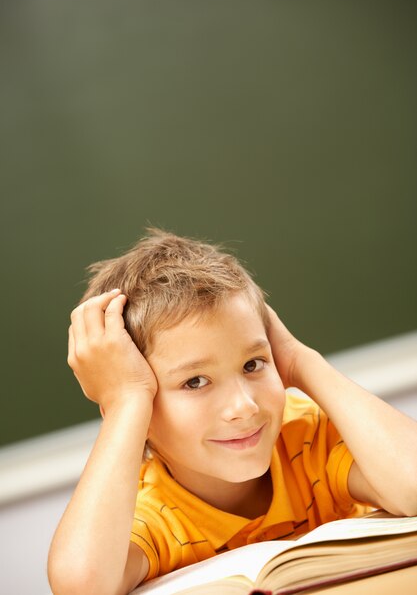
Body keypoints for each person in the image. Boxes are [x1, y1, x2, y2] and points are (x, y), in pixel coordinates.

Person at [48, 228, 417, 595]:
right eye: (195, 382)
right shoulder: (153, 515)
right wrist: (125, 402)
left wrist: (300, 359)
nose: (244, 406)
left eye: (254, 364)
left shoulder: (307, 437)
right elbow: (83, 586)